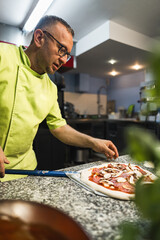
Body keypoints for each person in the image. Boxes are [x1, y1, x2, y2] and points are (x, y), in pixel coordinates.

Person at [0, 15, 119, 182]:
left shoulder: (50, 88)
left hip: (24, 171)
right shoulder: (3, 55)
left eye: (67, 55)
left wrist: (93, 142)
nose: (64, 59)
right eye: (61, 49)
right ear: (39, 38)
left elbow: (59, 127)